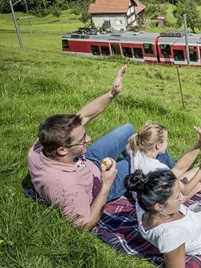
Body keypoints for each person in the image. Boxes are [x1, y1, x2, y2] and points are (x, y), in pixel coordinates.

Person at [28, 65, 134, 230]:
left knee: (128, 129)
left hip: (85, 160)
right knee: (144, 157)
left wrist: (112, 93)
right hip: (99, 186)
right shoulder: (68, 187)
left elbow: (83, 115)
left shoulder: (40, 145)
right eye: (83, 139)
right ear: (62, 150)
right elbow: (84, 225)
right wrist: (106, 184)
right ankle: (174, 175)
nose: (89, 138)